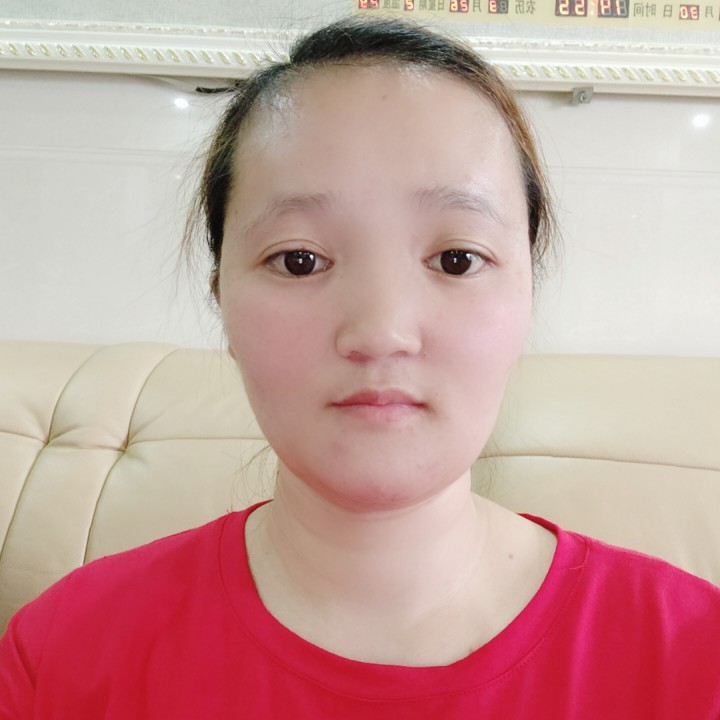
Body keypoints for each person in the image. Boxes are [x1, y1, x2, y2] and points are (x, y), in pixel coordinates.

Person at [1, 16, 719, 718]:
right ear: (221, 299)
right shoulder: (63, 656)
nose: (381, 332)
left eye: (457, 259)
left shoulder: (693, 656)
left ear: (527, 294)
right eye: (299, 260)